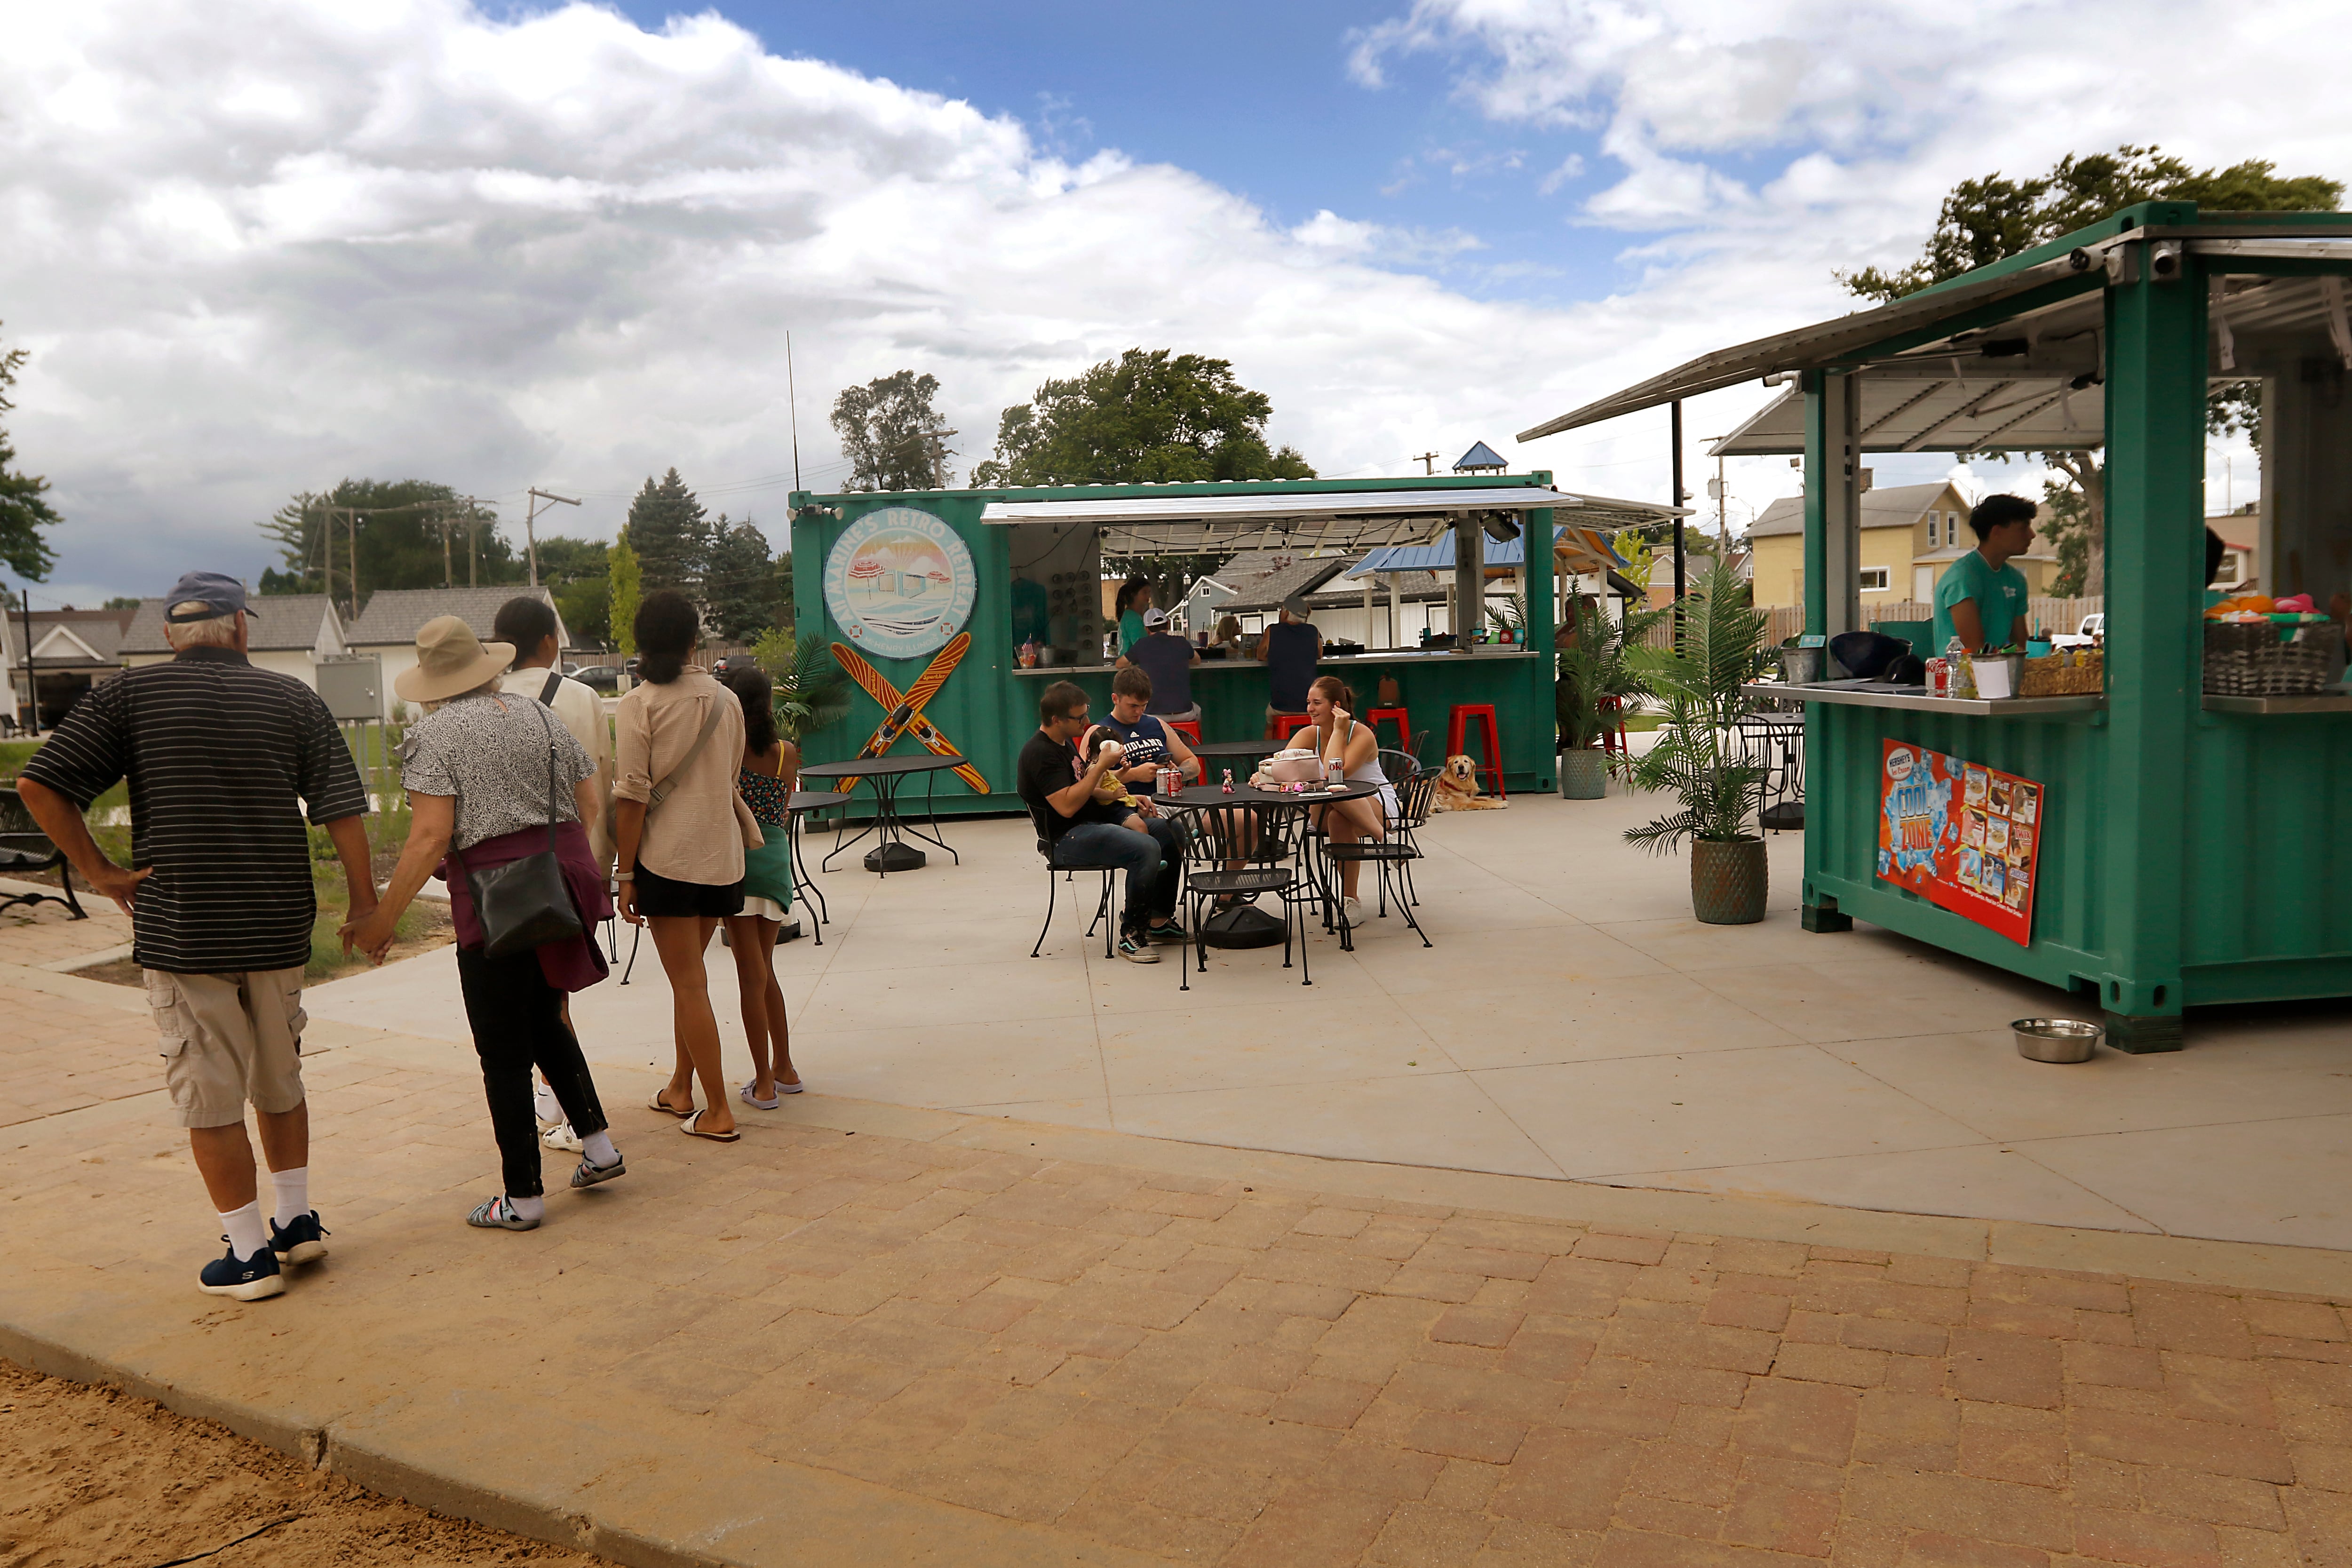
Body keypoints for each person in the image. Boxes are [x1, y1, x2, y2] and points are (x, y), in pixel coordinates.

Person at [17, 573, 374, 1300]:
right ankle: (297, 1220)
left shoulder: (128, 696)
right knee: (280, 1077)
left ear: (171, 636)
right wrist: (366, 904)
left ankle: (248, 1258)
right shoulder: (293, 699)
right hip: (276, 926)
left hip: (186, 932)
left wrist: (100, 872)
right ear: (242, 628)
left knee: (209, 1096)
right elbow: (341, 808)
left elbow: (40, 784)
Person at [342, 617, 620, 1232]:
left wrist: (383, 918)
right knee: (546, 1020)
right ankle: (599, 1149)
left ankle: (522, 1197)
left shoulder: (432, 736)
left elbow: (430, 836)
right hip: (560, 881)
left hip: (496, 903)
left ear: (433, 681)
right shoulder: (539, 714)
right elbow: (590, 801)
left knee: (501, 1049)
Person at [613, 590, 759, 1141]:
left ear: (642, 644)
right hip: (722, 857)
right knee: (688, 982)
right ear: (694, 640)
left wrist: (624, 874)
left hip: (667, 861)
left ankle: (718, 1110)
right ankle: (681, 1086)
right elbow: (731, 775)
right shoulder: (728, 701)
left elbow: (631, 797)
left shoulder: (639, 704)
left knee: (689, 985)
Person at [493, 595, 613, 1154]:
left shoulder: (482, 702)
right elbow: (599, 788)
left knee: (524, 994)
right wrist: (602, 867)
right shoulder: (582, 698)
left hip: (500, 876)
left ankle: (548, 1098)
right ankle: (566, 1107)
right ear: (548, 642)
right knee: (559, 989)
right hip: (569, 861)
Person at [1017, 681, 1182, 961]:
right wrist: (1103, 765)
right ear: (1056, 720)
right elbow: (1068, 806)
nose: (1087, 721)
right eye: (1079, 717)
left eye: (1086, 713)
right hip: (1065, 837)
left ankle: (1158, 920)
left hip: (1093, 822)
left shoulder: (1064, 744)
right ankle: (1132, 935)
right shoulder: (1040, 754)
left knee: (1169, 830)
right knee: (1144, 846)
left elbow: (1087, 788)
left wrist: (1127, 798)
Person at [720, 664, 801, 1108]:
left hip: (738, 863)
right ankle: (786, 1067)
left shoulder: (729, 752)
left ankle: (764, 1082)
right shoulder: (787, 752)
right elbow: (782, 808)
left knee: (749, 978)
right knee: (766, 971)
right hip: (775, 861)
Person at [1299, 674, 1393, 928]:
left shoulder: (1361, 734)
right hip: (1328, 804)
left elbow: (1335, 774)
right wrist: (1264, 771)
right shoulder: (1310, 734)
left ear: (1336, 706)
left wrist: (1339, 730)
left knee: (1337, 807)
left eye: (1317, 703)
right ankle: (1386, 842)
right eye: (1308, 702)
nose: (1310, 709)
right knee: (1334, 805)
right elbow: (1284, 762)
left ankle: (1351, 901)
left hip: (1375, 804)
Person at [1932, 494, 2037, 653]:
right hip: (1960, 675)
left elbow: (2022, 646)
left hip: (2002, 672)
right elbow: (1976, 650)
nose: (2032, 534)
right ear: (1997, 532)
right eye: (2024, 528)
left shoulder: (2016, 580)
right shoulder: (1962, 578)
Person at [1097, 665, 1202, 802]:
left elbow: (1193, 764)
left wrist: (1177, 772)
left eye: (1144, 705)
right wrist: (1133, 774)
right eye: (1133, 706)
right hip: (1129, 804)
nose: (1139, 712)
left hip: (1169, 801)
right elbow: (1087, 781)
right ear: (1115, 699)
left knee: (1234, 816)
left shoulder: (1158, 724)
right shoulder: (1100, 732)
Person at [1252, 595, 1322, 734]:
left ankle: (1268, 755)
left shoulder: (1272, 630)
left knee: (1270, 722)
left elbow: (1260, 656)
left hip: (1281, 704)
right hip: (1309, 704)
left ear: (1286, 612)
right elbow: (1319, 654)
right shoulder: (1313, 631)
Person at [1118, 607, 1202, 723]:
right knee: (1198, 710)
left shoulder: (1142, 645)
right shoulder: (1181, 642)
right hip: (1184, 712)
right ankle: (1190, 741)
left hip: (1153, 714)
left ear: (1147, 629)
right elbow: (1197, 660)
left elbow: (1120, 663)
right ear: (1167, 624)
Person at [1114, 577, 1152, 657]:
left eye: (1149, 592)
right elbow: (1143, 649)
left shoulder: (1130, 616)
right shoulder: (1133, 620)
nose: (1148, 596)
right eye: (1144, 592)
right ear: (1133, 595)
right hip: (1134, 667)